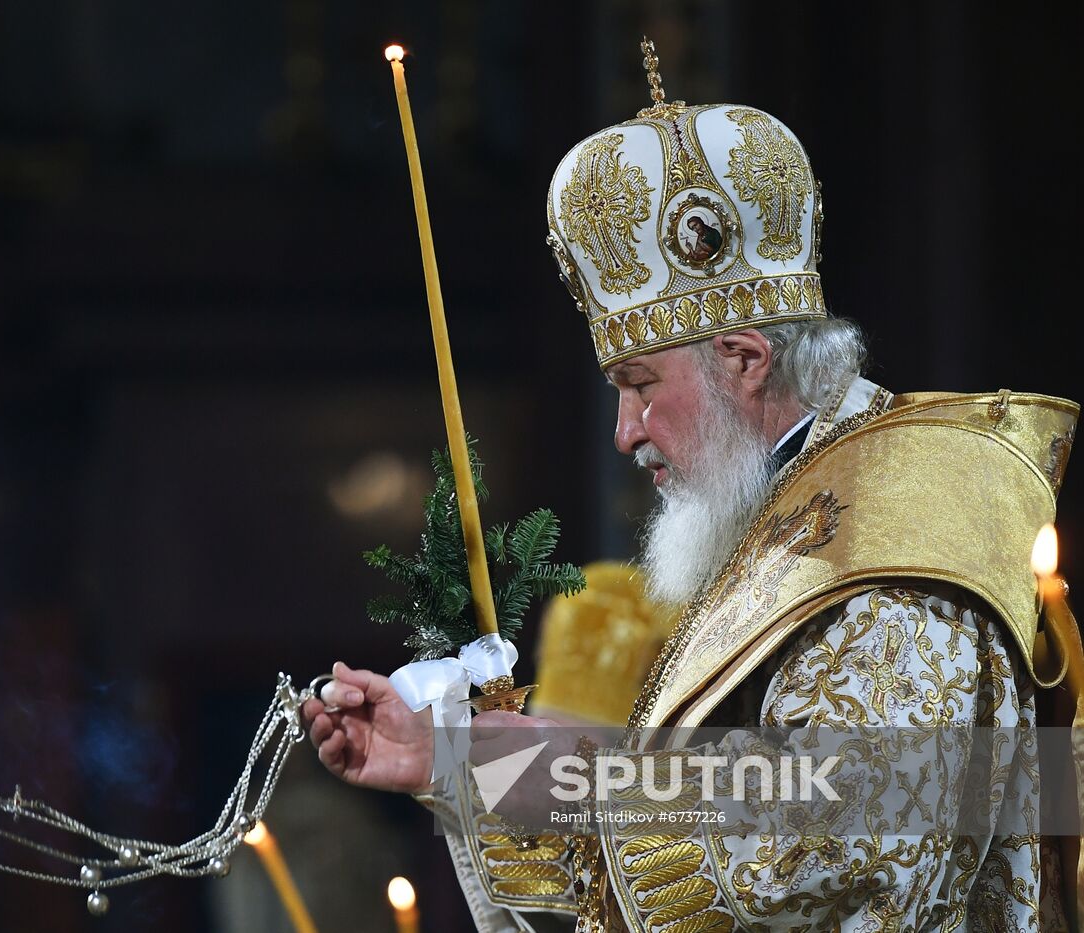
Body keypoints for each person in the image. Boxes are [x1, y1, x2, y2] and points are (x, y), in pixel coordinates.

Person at [300, 41, 1079, 931]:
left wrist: (556, 770)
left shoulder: (899, 541)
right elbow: (640, 870)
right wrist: (449, 760)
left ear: (743, 360)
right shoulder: (784, 524)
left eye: (638, 387)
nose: (627, 432)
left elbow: (838, 830)